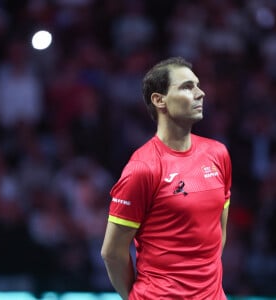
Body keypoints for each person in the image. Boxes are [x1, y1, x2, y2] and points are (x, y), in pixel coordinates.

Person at [101, 56, 232, 300]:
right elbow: (112, 252)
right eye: (187, 87)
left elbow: (217, 231)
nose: (200, 93)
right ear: (159, 100)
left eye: (198, 85)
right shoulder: (142, 168)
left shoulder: (218, 154)